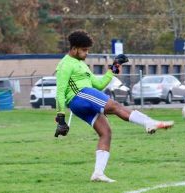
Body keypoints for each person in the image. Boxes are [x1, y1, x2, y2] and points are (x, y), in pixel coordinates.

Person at [54, 30, 174, 183]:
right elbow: (59, 92)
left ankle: (98, 173)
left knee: (106, 132)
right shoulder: (65, 65)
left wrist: (115, 66)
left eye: (87, 50)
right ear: (74, 48)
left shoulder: (81, 64)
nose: (87, 53)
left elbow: (99, 84)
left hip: (84, 98)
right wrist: (60, 117)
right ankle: (149, 122)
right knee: (115, 106)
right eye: (84, 50)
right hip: (80, 97)